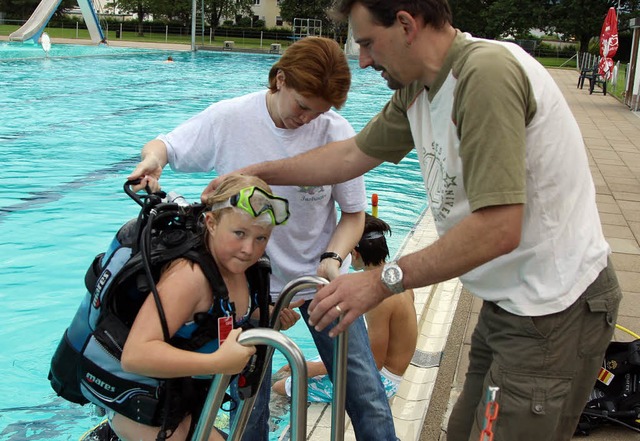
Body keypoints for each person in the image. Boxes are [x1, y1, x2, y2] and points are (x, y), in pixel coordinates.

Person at [206, 2, 623, 440]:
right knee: (462, 430)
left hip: (555, 310)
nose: (363, 60)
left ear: (406, 24)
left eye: (367, 43)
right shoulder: (419, 89)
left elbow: (499, 228)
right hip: (508, 304)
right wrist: (256, 174)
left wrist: (379, 282)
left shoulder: (485, 76)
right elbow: (349, 156)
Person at [128, 37, 398, 440]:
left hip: (316, 281)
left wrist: (332, 258)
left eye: (318, 112)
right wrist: (151, 161)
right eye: (302, 106)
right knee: (249, 404)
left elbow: (354, 216)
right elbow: (166, 145)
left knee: (363, 389)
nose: (307, 119)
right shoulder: (231, 118)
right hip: (247, 291)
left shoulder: (335, 132)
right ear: (280, 79)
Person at [108, 174, 291, 441]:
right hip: (140, 409)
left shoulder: (244, 268)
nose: (249, 249)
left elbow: (222, 313)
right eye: (239, 233)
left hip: (182, 405)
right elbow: (135, 355)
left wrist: (265, 314)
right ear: (211, 223)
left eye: (261, 238)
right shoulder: (189, 277)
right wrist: (216, 362)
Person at [272, 213, 417, 402]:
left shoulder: (379, 299)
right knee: (288, 368)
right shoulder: (393, 276)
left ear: (355, 253)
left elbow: (374, 363)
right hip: (388, 370)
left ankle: (272, 419)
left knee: (281, 387)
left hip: (382, 381)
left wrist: (315, 368)